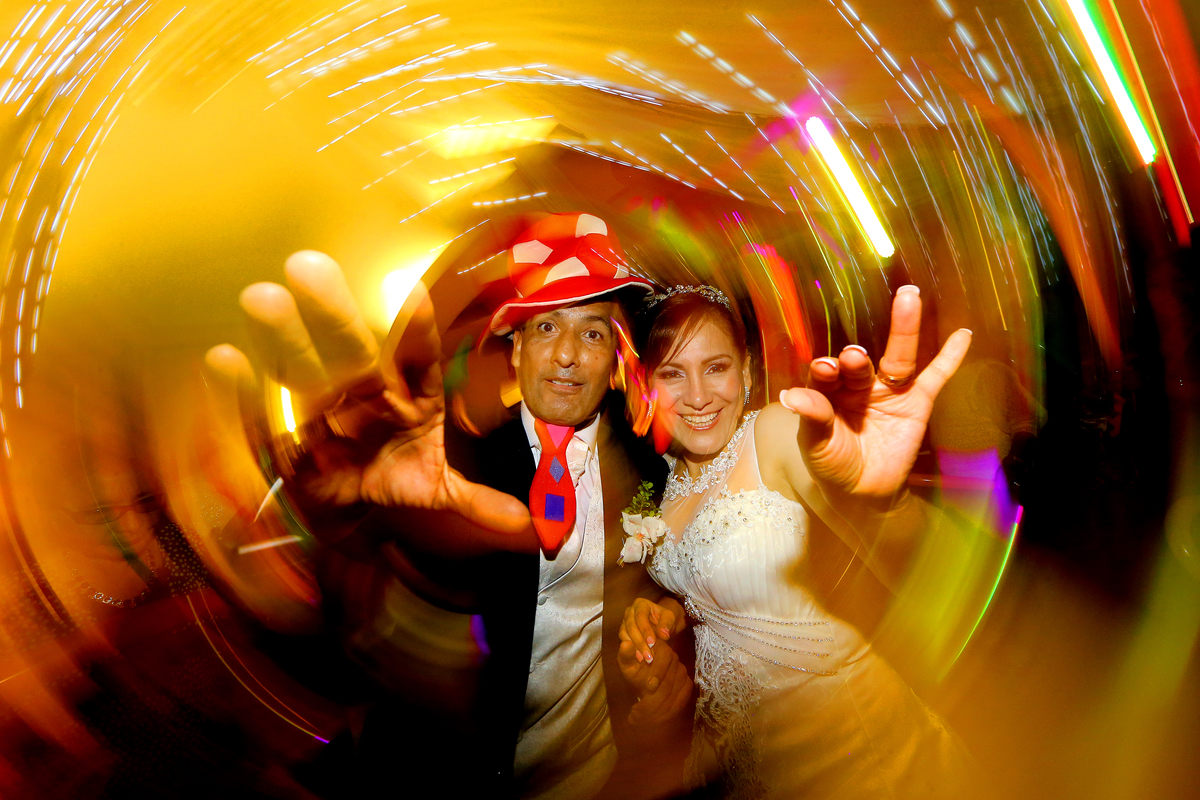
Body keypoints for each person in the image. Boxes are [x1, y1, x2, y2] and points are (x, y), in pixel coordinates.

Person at [211, 212, 694, 799]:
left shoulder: (650, 459)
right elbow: (398, 574)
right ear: (516, 349)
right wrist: (347, 520)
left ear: (615, 351)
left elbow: (658, 573)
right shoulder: (457, 467)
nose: (567, 354)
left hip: (608, 774)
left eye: (591, 333)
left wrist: (664, 619)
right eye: (546, 328)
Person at [618, 284, 976, 799]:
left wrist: (884, 506)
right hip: (736, 749)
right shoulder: (666, 479)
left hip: (845, 746)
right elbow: (712, 582)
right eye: (673, 373)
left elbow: (922, 566)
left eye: (716, 367)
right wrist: (670, 611)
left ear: (746, 373)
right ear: (649, 385)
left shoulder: (774, 433)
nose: (697, 396)